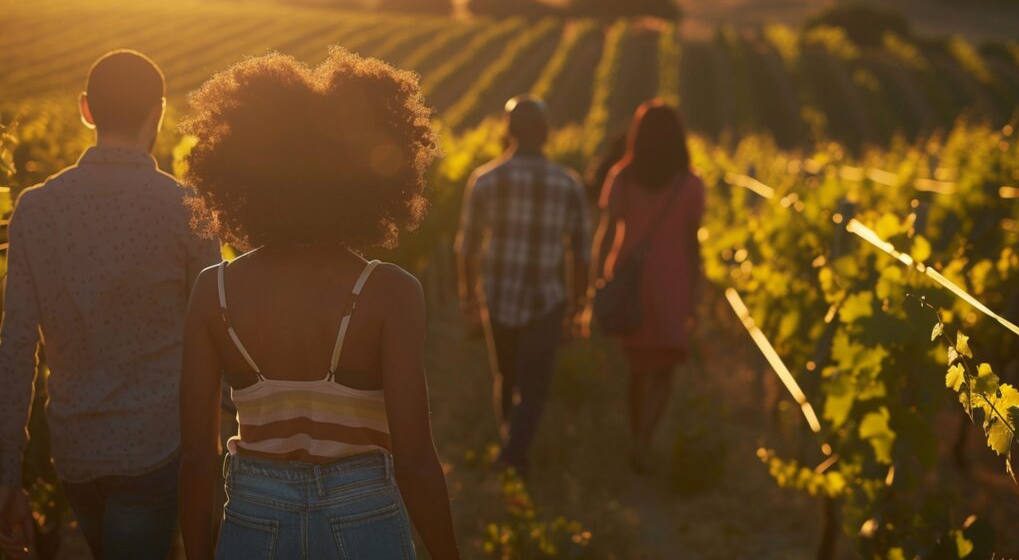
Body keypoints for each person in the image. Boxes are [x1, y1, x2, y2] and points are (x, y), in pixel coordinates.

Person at [177, 48, 458, 560]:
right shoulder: (389, 292)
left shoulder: (213, 292)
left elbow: (197, 457)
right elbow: (415, 458)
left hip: (253, 518)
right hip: (365, 516)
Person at [0, 50, 221, 558]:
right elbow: (218, 341)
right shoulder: (188, 210)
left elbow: (15, 349)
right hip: (157, 449)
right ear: (159, 113)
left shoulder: (35, 209)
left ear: (86, 110)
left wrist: (7, 475)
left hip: (74, 452)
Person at [456, 95, 591, 474]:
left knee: (506, 375)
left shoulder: (485, 179)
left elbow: (466, 247)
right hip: (546, 299)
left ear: (509, 131)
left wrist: (469, 299)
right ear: (546, 134)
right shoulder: (568, 183)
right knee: (533, 385)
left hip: (498, 295)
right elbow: (581, 252)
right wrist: (579, 305)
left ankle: (510, 452)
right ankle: (514, 453)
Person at [586, 100, 705, 473]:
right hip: (673, 281)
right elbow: (692, 243)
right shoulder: (691, 184)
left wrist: (596, 285)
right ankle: (644, 440)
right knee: (665, 367)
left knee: (637, 367)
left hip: (630, 280)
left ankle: (636, 435)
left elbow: (607, 234)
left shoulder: (622, 177)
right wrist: (696, 297)